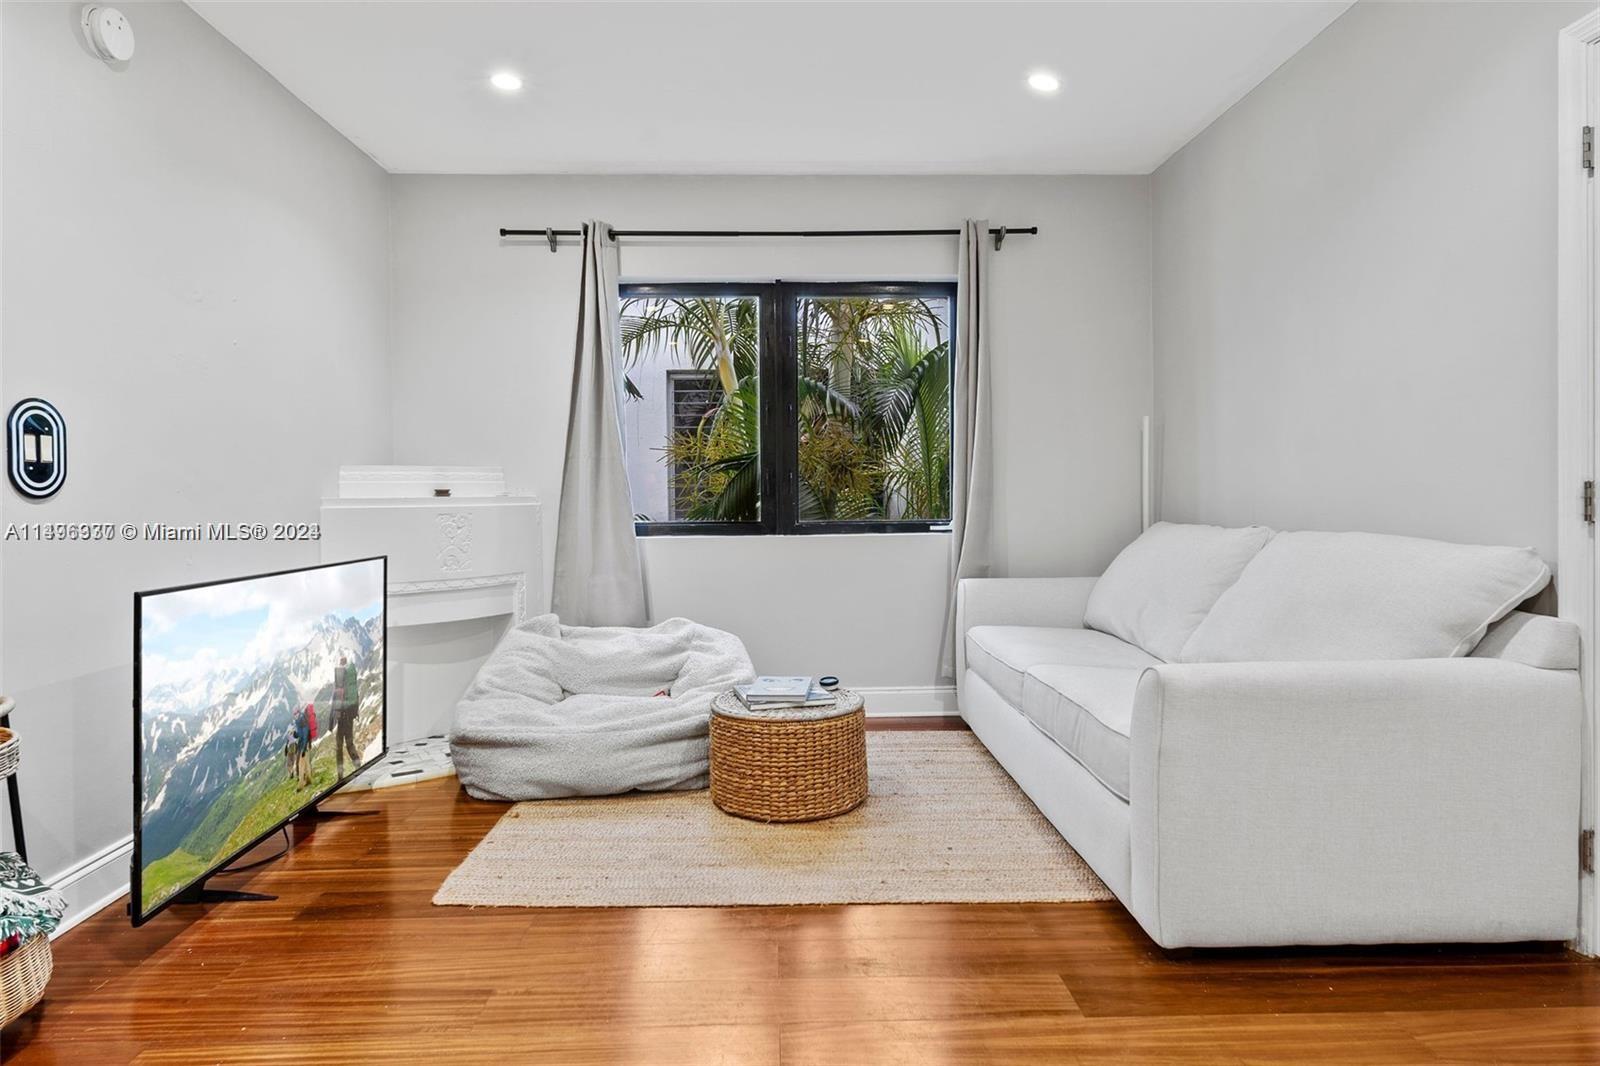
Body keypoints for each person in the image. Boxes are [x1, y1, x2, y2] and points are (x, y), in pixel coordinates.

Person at [333, 653, 360, 779]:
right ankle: (358, 766)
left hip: (342, 717)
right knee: (350, 744)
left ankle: (340, 775)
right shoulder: (352, 677)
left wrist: (333, 719)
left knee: (339, 746)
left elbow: (336, 702)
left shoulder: (341, 681)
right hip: (351, 715)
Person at [293, 702, 312, 788]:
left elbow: (305, 733)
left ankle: (300, 785)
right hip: (303, 743)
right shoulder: (298, 720)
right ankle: (309, 780)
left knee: (300, 764)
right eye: (293, 714)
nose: (294, 715)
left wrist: (304, 748)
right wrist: (296, 735)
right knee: (307, 763)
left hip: (304, 744)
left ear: (298, 712)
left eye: (295, 713)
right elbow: (300, 733)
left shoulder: (302, 719)